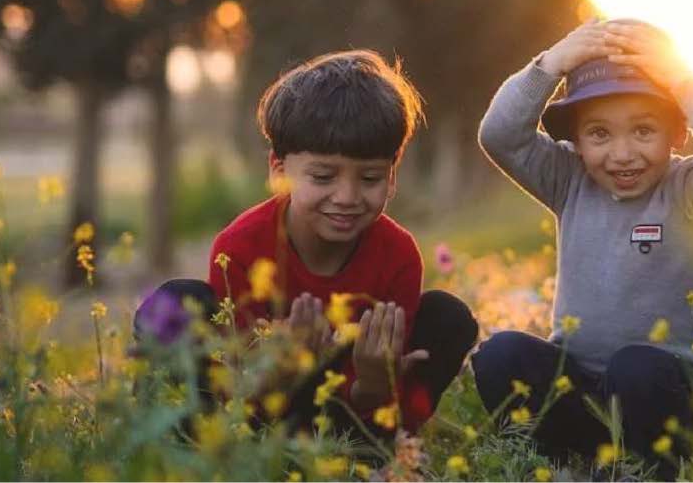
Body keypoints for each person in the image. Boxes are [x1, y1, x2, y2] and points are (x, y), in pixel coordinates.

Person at [134, 50, 478, 439]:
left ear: (393, 177)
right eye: (323, 176)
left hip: (352, 420)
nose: (347, 197)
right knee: (177, 300)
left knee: (448, 317)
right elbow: (239, 387)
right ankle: (174, 442)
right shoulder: (240, 247)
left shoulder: (398, 256)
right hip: (253, 417)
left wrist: (374, 383)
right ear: (278, 171)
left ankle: (385, 451)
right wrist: (285, 368)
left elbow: (370, 397)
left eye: (370, 179)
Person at [471, 19, 693, 475]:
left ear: (677, 133)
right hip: (582, 390)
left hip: (663, 393)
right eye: (600, 134)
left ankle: (646, 468)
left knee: (635, 368)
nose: (622, 153)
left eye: (643, 131)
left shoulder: (691, 192)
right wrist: (550, 65)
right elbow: (499, 135)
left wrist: (682, 80)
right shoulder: (569, 181)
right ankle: (566, 462)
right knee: (500, 354)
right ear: (577, 142)